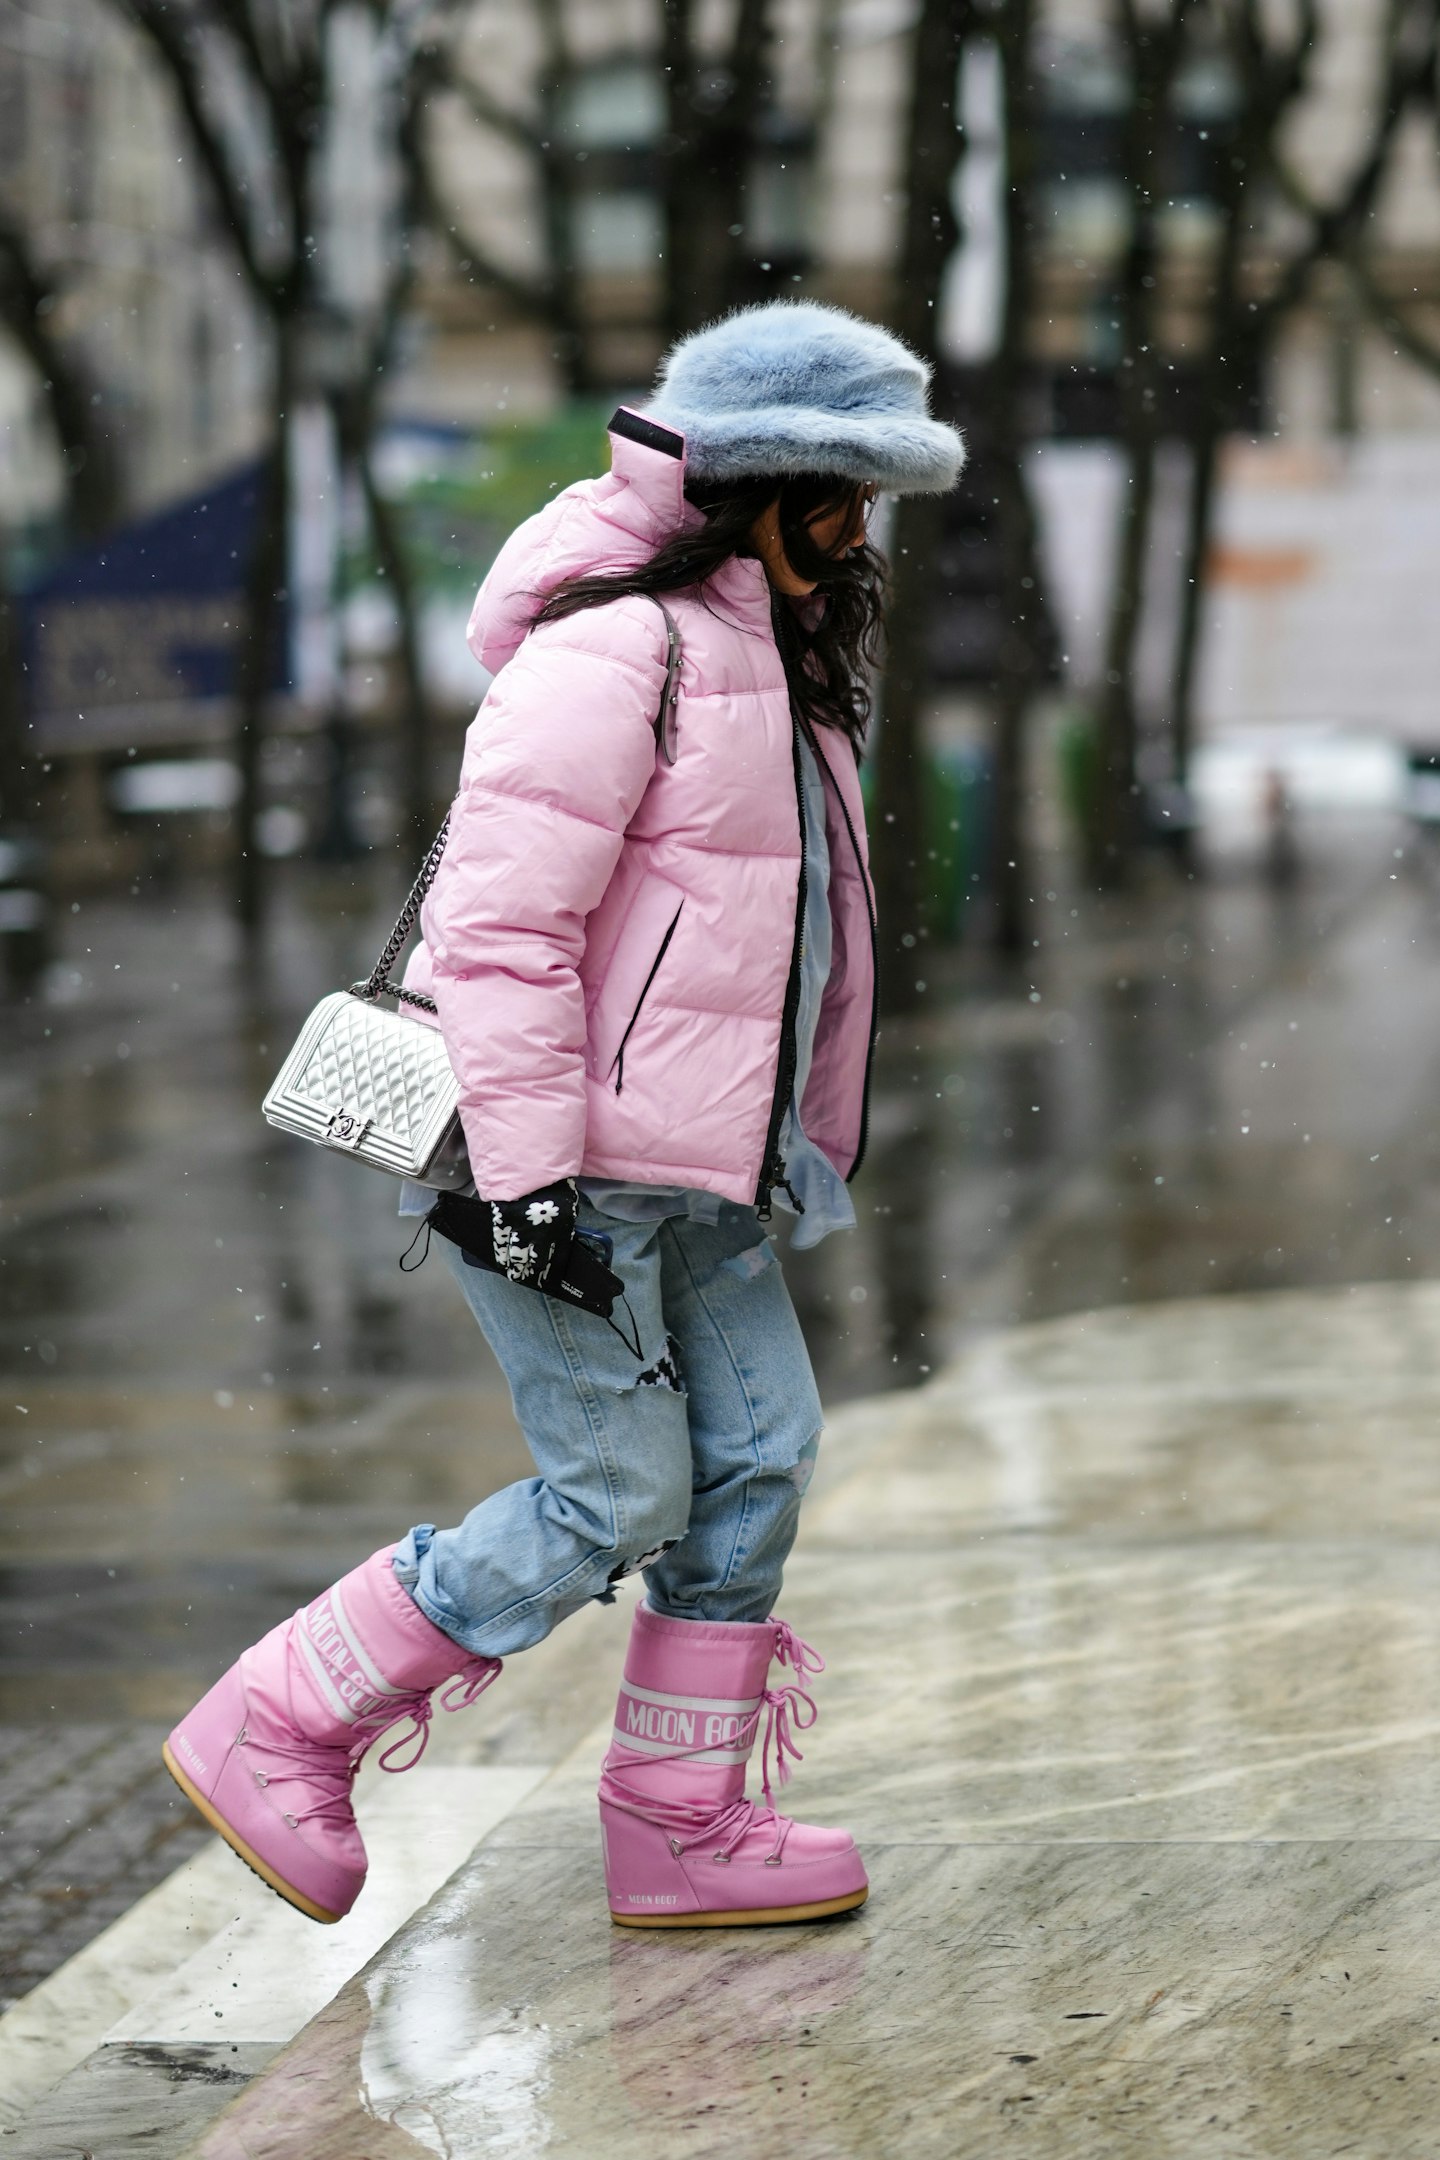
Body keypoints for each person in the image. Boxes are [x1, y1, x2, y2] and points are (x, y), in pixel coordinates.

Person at [163, 300, 964, 1930]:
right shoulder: (624, 643)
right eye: (850, 492)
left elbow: (793, 927)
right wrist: (528, 1180)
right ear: (774, 483)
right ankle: (280, 1716)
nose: (865, 528)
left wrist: (792, 1133)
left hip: (702, 1167)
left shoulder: (774, 660)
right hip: (559, 1168)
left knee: (759, 1457)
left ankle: (677, 1825)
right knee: (620, 1494)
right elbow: (504, 928)